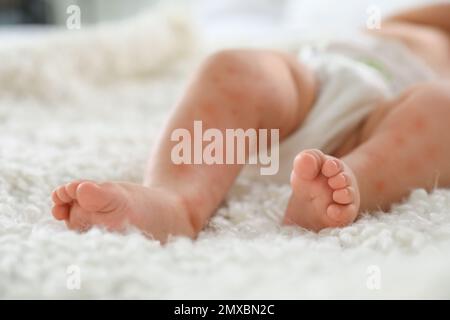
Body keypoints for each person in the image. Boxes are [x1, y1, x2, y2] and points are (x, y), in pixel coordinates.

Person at [50, 3, 450, 242]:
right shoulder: (418, 21)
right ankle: (176, 201)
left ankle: (347, 186)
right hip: (317, 78)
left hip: (385, 115)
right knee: (234, 67)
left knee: (441, 107)